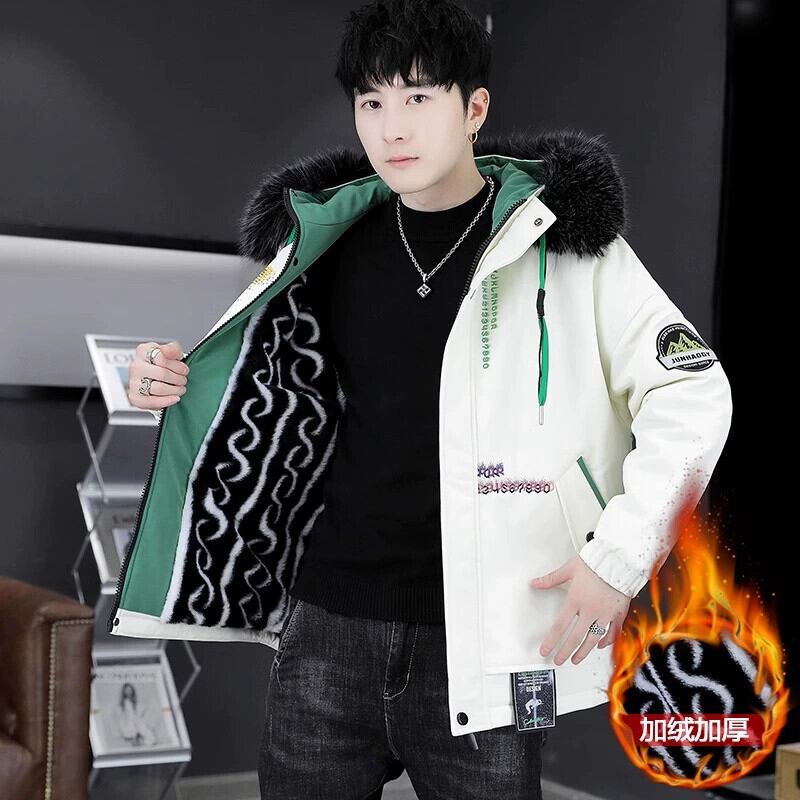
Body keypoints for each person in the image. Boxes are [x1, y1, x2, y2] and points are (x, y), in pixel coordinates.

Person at [114, 1, 734, 797]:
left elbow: (692, 389)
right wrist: (166, 380)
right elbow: (256, 390)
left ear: (474, 109)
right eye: (371, 102)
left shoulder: (564, 244)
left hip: (489, 636)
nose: (392, 128)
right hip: (326, 627)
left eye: (417, 97)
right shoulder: (327, 239)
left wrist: (617, 559)